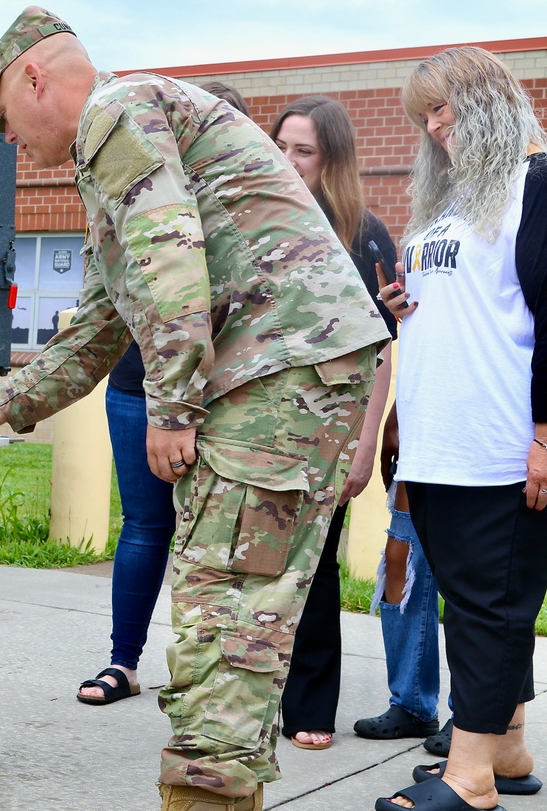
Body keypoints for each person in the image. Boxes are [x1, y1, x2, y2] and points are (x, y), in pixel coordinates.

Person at [0, 7, 391, 810]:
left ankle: (206, 796)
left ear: (35, 77)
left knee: (225, 614)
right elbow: (105, 319)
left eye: (3, 114)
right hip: (285, 368)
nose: (5, 139)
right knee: (231, 612)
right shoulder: (121, 138)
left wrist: (171, 407)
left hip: (275, 371)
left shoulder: (117, 113)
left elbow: (169, 256)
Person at [373, 46, 547, 811]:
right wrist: (405, 301)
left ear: (486, 99)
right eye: (424, 116)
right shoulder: (456, 199)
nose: (434, 127)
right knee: (472, 599)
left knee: (490, 604)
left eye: (442, 108)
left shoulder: (535, 186)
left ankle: (471, 779)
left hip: (502, 441)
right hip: (438, 442)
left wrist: (545, 435)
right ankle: (504, 746)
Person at [77, 81, 251, 708]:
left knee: (220, 538)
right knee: (147, 526)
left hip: (226, 394)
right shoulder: (138, 183)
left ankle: (217, 680)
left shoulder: (239, 206)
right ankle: (123, 662)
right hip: (136, 388)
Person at [270, 95, 398, 751]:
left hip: (330, 430)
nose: (288, 161)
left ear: (333, 159)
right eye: (282, 146)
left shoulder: (365, 235)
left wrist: (363, 442)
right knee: (252, 571)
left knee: (313, 572)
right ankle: (250, 698)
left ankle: (310, 704)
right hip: (256, 426)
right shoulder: (252, 224)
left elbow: (380, 351)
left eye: (305, 151)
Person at [353, 402, 449, 754]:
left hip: (485, 436)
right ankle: (411, 705)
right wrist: (396, 417)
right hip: (423, 427)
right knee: (401, 559)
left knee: (468, 578)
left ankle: (472, 717)